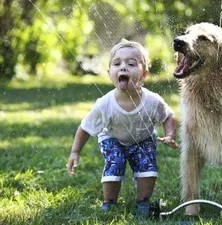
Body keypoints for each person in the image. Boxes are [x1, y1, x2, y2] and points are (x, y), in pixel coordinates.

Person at [66, 39, 179, 218]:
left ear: (144, 75)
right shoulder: (105, 104)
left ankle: (143, 203)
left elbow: (168, 116)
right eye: (117, 63)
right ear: (110, 73)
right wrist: (74, 152)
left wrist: (170, 135)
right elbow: (85, 128)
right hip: (112, 138)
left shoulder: (152, 101)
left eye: (131, 64)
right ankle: (109, 203)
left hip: (142, 138)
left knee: (148, 167)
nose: (123, 67)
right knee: (115, 162)